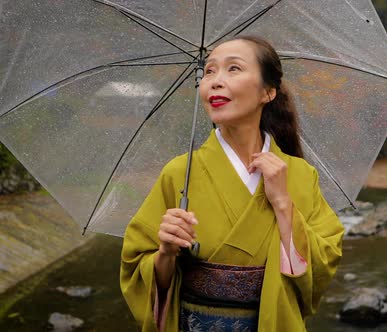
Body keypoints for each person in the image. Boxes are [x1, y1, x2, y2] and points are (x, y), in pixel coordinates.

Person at [120, 35, 345, 332]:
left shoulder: (301, 176)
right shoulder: (178, 173)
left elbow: (321, 267)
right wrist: (165, 253)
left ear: (268, 92)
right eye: (209, 71)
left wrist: (282, 203)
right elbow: (139, 273)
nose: (215, 81)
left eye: (233, 69)